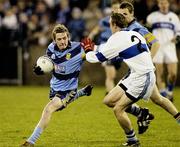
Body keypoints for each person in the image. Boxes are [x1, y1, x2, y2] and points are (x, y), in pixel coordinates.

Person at [82, 12, 180, 147]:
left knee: (118, 109)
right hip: (136, 73)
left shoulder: (117, 38)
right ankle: (141, 112)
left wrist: (88, 52)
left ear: (114, 24)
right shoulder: (133, 33)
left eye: (110, 23)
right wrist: (93, 49)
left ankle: (133, 140)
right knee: (108, 100)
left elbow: (99, 57)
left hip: (143, 76)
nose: (109, 25)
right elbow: (112, 50)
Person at [20, 24, 93, 147]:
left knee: (49, 109)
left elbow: (93, 55)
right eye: (59, 39)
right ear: (54, 40)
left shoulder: (78, 48)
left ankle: (30, 142)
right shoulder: (51, 48)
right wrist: (40, 69)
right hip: (54, 87)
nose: (62, 41)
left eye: (65, 38)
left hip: (69, 89)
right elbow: (48, 63)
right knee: (59, 106)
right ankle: (83, 92)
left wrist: (91, 51)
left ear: (68, 37)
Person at [118, 1, 160, 134]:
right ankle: (143, 113)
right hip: (136, 70)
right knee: (158, 99)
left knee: (115, 102)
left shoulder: (138, 28)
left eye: (125, 14)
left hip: (142, 71)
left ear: (132, 14)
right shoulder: (124, 29)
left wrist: (149, 61)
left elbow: (155, 43)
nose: (122, 17)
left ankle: (141, 115)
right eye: (120, 14)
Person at [146, 0, 180, 101]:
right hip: (158, 48)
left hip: (170, 47)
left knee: (173, 74)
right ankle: (163, 96)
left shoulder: (174, 17)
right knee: (160, 73)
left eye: (165, 3)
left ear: (168, 4)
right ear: (158, 5)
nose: (163, 5)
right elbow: (147, 30)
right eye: (161, 3)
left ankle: (169, 91)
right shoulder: (152, 17)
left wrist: (177, 37)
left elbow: (178, 31)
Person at [88, 0, 121, 95]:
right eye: (114, 8)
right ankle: (111, 95)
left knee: (113, 75)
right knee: (110, 75)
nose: (116, 10)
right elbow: (96, 30)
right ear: (111, 9)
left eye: (117, 8)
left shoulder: (123, 21)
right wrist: (89, 38)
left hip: (118, 49)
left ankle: (108, 92)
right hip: (106, 47)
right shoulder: (105, 20)